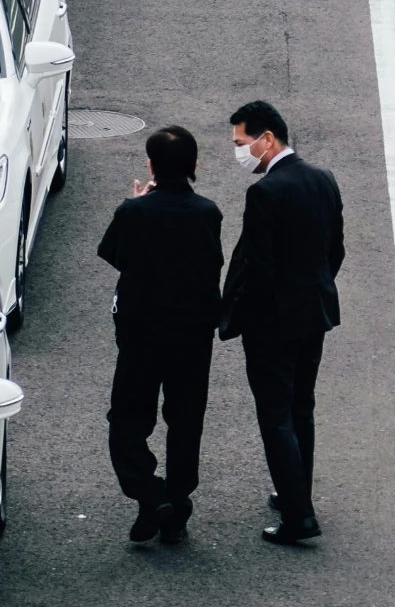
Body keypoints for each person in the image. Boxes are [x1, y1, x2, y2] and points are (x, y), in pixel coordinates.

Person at [219, 100, 344, 547]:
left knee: (275, 415)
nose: (239, 151)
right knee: (300, 407)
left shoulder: (265, 193)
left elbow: (259, 266)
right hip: (315, 313)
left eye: (242, 142)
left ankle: (298, 516)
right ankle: (296, 492)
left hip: (272, 322)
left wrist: (246, 317)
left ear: (267, 139)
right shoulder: (322, 179)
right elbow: (336, 251)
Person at [97, 124, 223, 546]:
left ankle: (151, 495)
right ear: (195, 166)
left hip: (141, 331)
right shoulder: (208, 213)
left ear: (151, 165)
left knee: (128, 418)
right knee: (186, 419)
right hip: (192, 334)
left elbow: (114, 254)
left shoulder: (135, 212)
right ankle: (177, 502)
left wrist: (135, 205)